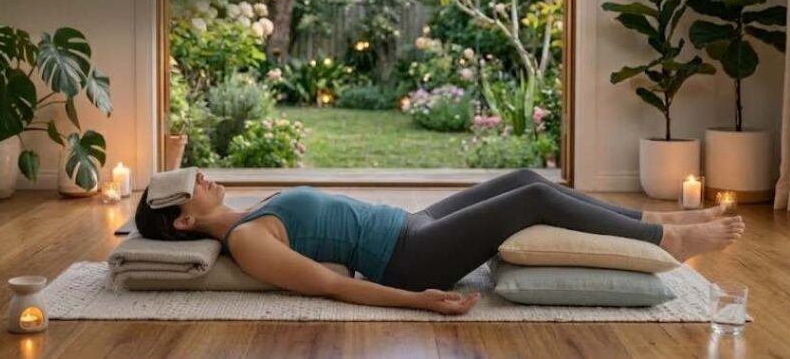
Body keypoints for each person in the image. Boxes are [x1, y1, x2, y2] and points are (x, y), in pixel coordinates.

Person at [134, 169, 744, 316]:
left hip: (411, 223)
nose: (199, 179)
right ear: (183, 222)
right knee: (530, 202)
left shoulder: (256, 208)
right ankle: (670, 237)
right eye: (185, 190)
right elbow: (327, 285)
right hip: (406, 260)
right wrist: (422, 301)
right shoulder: (247, 240)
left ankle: (643, 221)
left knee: (528, 178)